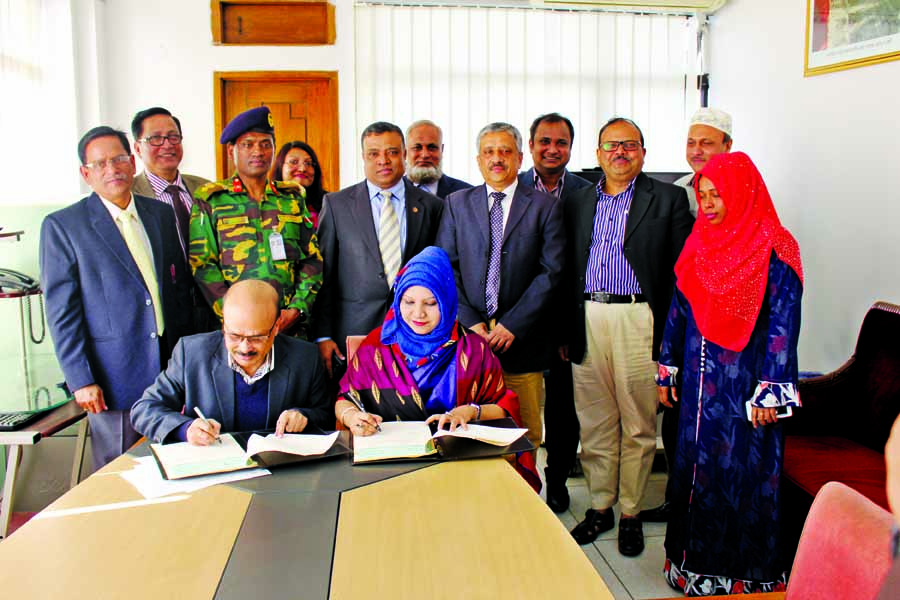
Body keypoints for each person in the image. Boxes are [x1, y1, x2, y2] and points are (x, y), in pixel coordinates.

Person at [656, 151, 803, 595]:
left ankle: (746, 574)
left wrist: (771, 388)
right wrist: (669, 366)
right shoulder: (699, 241)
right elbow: (679, 309)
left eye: (718, 194)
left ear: (744, 192)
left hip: (745, 388)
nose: (710, 203)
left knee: (741, 473)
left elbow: (784, 321)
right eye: (703, 195)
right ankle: (691, 565)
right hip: (700, 388)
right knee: (694, 472)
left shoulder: (776, 246)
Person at [561, 117, 693, 556]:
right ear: (597, 154)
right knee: (595, 420)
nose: (620, 152)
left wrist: (670, 339)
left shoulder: (669, 199)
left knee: (638, 423)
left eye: (630, 145)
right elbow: (564, 268)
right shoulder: (578, 200)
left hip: (640, 318)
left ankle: (632, 511)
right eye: (611, 145)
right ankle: (601, 505)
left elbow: (680, 276)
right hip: (588, 315)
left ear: (643, 153)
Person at [40, 126, 193, 469]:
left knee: (176, 462)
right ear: (86, 173)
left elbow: (178, 290)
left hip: (169, 369)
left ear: (133, 160)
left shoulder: (159, 214)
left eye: (120, 158)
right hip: (113, 376)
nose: (113, 169)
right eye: (101, 163)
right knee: (120, 470)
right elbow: (62, 313)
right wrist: (81, 379)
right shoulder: (65, 226)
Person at [336, 246, 540, 491]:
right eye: (408, 301)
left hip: (462, 473)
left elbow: (504, 408)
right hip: (387, 472)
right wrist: (351, 417)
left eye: (431, 303)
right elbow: (344, 399)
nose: (418, 313)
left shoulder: (474, 350)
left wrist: (470, 412)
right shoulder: (376, 345)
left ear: (446, 300)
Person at [436, 122, 565, 460]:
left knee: (525, 433)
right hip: (467, 344)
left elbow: (551, 272)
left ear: (520, 158)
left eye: (505, 151)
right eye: (489, 152)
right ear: (478, 160)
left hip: (524, 343)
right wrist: (471, 323)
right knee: (468, 430)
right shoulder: (456, 204)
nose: (497, 158)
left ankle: (526, 501)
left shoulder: (544, 206)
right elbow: (446, 268)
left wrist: (514, 325)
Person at [311, 121, 443, 376]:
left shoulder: (432, 206)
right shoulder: (337, 205)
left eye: (392, 152)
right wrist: (322, 335)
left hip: (415, 333)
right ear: (363, 157)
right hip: (352, 336)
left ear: (404, 154)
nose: (383, 160)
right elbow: (324, 276)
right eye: (374, 154)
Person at [132, 280, 332, 445]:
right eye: (234, 336)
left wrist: (303, 416)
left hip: (280, 474)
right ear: (223, 323)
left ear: (276, 326)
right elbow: (145, 409)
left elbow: (325, 414)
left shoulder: (305, 358)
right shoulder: (192, 354)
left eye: (256, 337)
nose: (245, 348)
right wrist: (186, 429)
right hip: (216, 473)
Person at [190, 106, 322, 337]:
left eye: (265, 144)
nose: (258, 152)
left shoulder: (291, 197)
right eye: (248, 144)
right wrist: (234, 316)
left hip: (290, 329)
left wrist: (297, 309)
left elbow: (312, 259)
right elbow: (202, 265)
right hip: (237, 333)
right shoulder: (211, 199)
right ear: (231, 150)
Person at [518, 112, 592, 513]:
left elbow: (583, 264)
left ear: (570, 148)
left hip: (566, 319)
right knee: (522, 404)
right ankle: (522, 476)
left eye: (560, 142)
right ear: (530, 146)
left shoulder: (587, 192)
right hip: (521, 319)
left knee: (565, 409)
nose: (552, 149)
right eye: (544, 141)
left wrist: (568, 328)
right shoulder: (512, 187)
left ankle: (559, 479)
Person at [131, 106, 217, 333]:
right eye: (156, 138)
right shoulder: (130, 195)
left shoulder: (206, 188)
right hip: (162, 313)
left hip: (212, 306)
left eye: (173, 137)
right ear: (138, 148)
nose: (167, 144)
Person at [673, 107, 733, 217]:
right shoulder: (678, 188)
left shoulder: (741, 190)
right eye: (691, 143)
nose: (696, 152)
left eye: (706, 143)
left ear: (728, 145)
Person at [404, 120, 472, 198]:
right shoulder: (390, 193)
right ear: (405, 151)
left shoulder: (467, 195)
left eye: (432, 147)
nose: (424, 155)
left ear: (441, 150)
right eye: (417, 147)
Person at [272, 141, 327, 228]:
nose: (302, 169)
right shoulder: (267, 202)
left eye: (308, 163)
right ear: (280, 166)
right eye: (293, 162)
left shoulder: (329, 204)